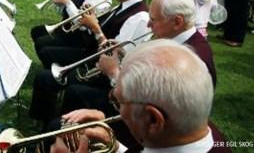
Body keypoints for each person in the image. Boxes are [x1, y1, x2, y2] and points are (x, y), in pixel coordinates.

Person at [52, 39, 229, 153]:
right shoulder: (198, 132)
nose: (116, 108)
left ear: (153, 120)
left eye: (119, 101)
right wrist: (114, 146)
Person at [29, 0, 150, 128]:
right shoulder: (121, 5)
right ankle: (45, 120)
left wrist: (95, 27)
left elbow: (117, 56)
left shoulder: (140, 18)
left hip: (102, 72)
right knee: (45, 72)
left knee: (48, 79)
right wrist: (90, 18)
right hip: (91, 55)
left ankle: (51, 126)